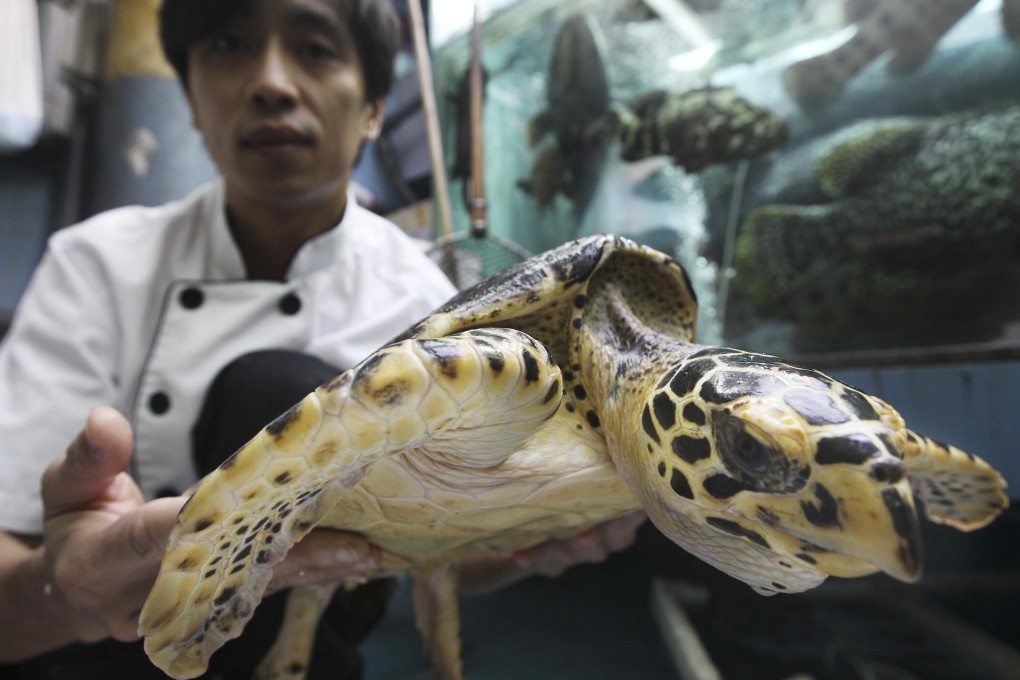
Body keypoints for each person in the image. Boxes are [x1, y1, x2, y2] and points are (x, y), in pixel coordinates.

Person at [0, 0, 645, 677]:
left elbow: (430, 546)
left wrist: (528, 538)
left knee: (279, 390)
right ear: (189, 97)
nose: (272, 82)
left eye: (315, 49)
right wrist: (70, 594)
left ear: (372, 107)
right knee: (277, 391)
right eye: (228, 43)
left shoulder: (431, 309)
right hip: (90, 655)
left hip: (303, 650)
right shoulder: (97, 263)